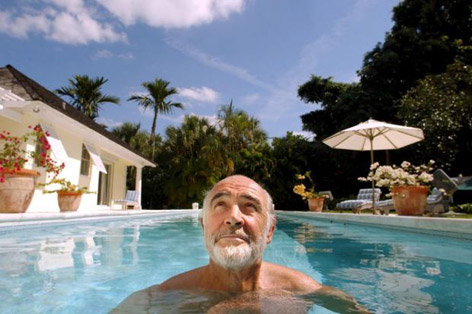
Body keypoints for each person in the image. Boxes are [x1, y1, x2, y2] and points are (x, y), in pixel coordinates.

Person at [113, 175, 370, 313]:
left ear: (269, 230)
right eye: (220, 205)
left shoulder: (302, 289)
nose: (233, 218)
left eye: (249, 207)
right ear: (204, 226)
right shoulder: (161, 297)